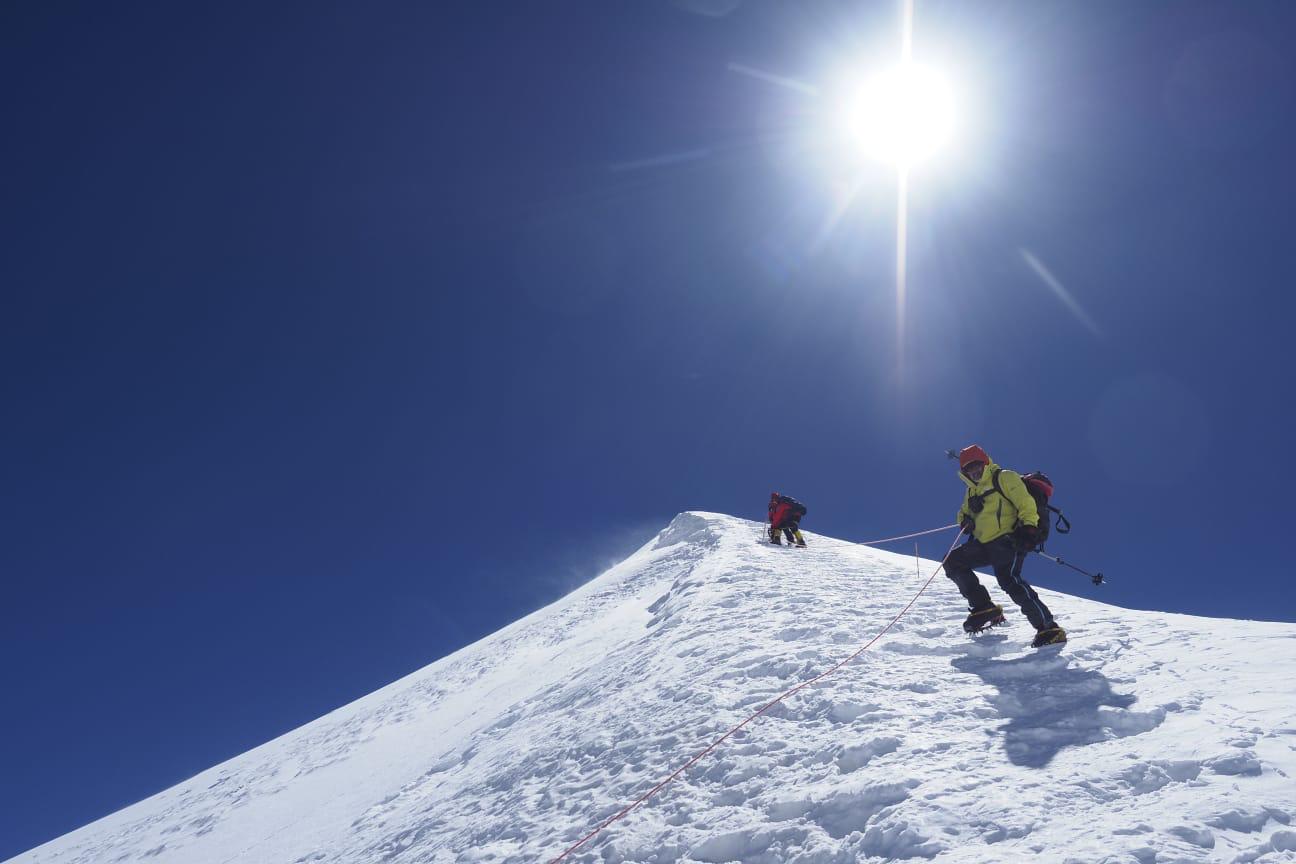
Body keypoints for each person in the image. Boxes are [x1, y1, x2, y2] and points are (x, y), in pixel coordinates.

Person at [947, 445, 1066, 647]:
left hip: (1008, 540)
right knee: (953, 561)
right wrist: (965, 520)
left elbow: (1025, 503)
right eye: (969, 469)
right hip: (984, 544)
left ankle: (1049, 628)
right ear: (964, 472)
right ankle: (983, 607)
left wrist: (1029, 529)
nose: (974, 472)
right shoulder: (971, 491)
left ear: (985, 463)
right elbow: (962, 514)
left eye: (977, 466)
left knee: (1010, 581)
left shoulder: (1004, 477)